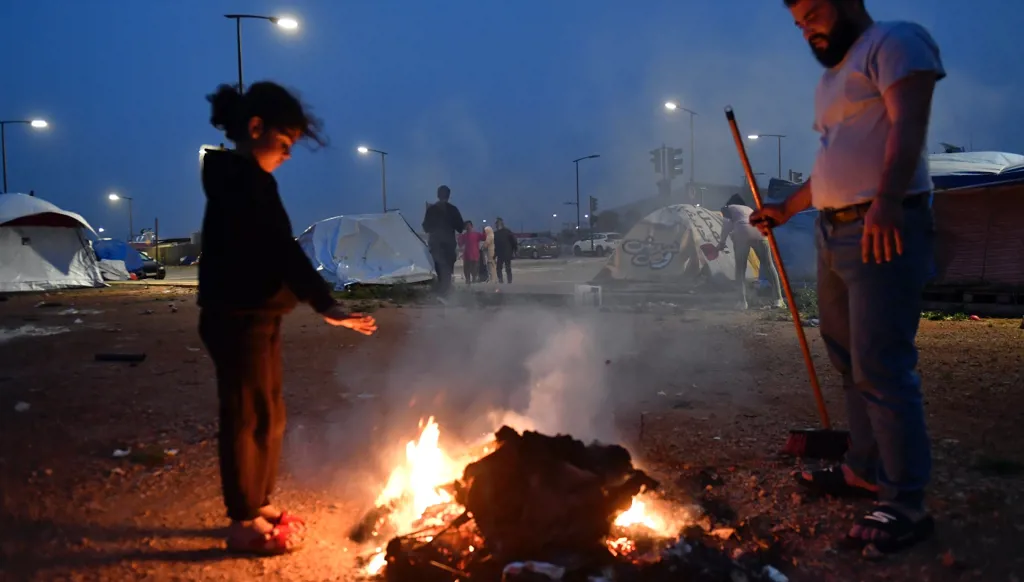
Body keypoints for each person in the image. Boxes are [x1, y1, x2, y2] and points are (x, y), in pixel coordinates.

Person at [752, 0, 944, 555]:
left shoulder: (895, 42)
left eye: (813, 13)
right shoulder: (833, 79)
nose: (806, 30)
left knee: (881, 363)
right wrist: (787, 208)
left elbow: (909, 124)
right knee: (848, 359)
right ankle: (864, 467)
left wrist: (887, 201)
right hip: (833, 229)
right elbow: (832, 161)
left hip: (880, 224)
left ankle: (905, 503)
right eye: (798, 23)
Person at [199, 81, 377, 555]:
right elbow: (280, 249)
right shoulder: (240, 182)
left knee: (269, 414)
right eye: (284, 142)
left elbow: (279, 249)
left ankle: (257, 502)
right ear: (256, 128)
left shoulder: (251, 180)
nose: (288, 154)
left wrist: (322, 304)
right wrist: (326, 305)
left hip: (259, 314)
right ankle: (243, 520)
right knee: (245, 415)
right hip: (236, 315)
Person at [717, 193, 784, 310]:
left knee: (740, 269)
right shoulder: (749, 209)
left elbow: (727, 224)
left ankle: (742, 302)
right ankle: (778, 300)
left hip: (742, 233)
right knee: (769, 266)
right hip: (760, 232)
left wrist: (721, 243)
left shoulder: (728, 208)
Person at [422, 185, 464, 295]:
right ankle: (445, 293)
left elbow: (426, 228)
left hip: (436, 244)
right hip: (449, 245)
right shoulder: (453, 210)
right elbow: (460, 227)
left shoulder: (431, 209)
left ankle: (442, 293)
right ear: (449, 196)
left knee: (440, 269)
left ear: (438, 195)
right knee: (447, 271)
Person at [457, 221, 485, 285]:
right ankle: (468, 283)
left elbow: (484, 238)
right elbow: (460, 244)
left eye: (469, 225)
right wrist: (459, 237)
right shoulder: (464, 235)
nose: (468, 227)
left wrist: (484, 231)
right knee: (467, 272)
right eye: (466, 226)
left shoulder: (476, 234)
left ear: (472, 226)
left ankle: (473, 283)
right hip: (467, 256)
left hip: (475, 256)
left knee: (474, 272)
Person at [493, 218, 518, 283]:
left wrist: (514, 250)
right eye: (496, 224)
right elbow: (495, 245)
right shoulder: (496, 234)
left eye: (498, 223)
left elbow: (514, 241)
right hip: (500, 253)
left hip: (507, 252)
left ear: (501, 224)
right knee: (498, 268)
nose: (496, 225)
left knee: (508, 268)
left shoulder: (507, 232)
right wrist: (495, 255)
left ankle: (509, 281)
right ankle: (501, 280)